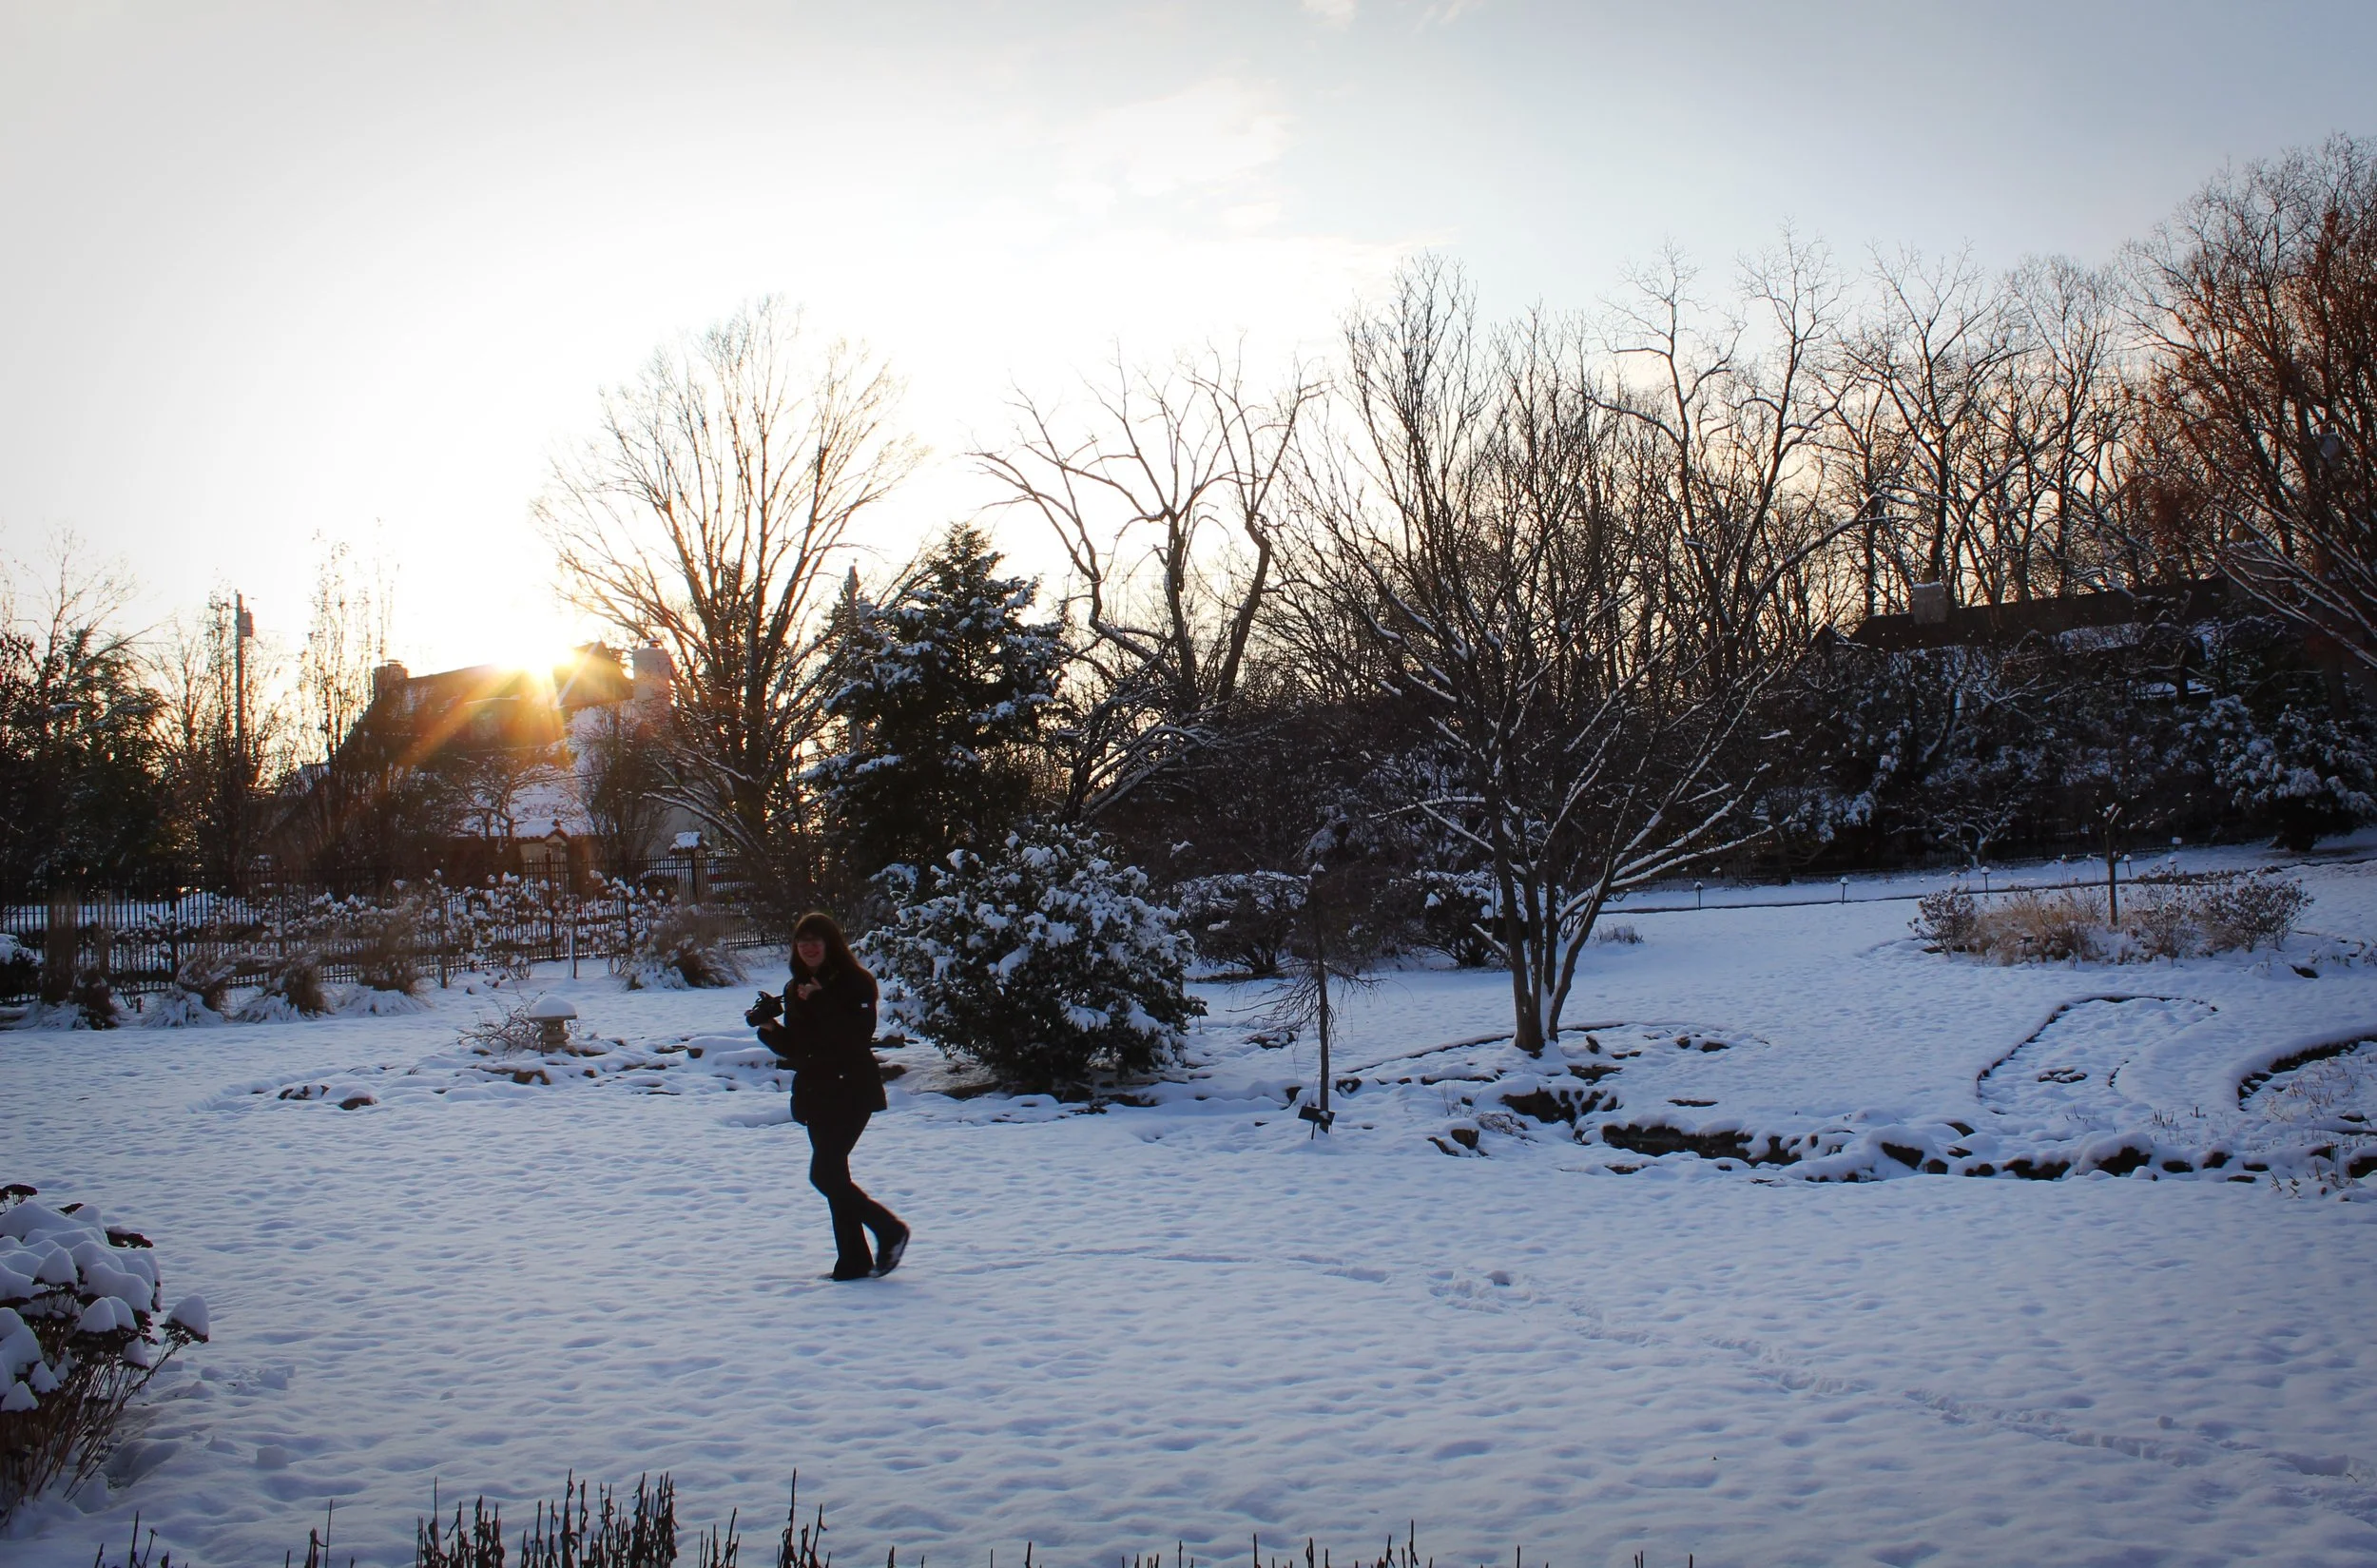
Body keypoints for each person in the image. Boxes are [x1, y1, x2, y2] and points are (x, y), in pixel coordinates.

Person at [748, 912, 909, 1281]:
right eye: (801, 943)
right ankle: (852, 1262)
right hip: (816, 1091)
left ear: (830, 944)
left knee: (824, 1173)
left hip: (852, 1088)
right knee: (835, 1174)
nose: (808, 949)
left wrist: (820, 1001)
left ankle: (890, 1230)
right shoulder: (796, 987)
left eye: (815, 942)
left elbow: (855, 1038)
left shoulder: (856, 982)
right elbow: (799, 1047)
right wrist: (769, 1028)